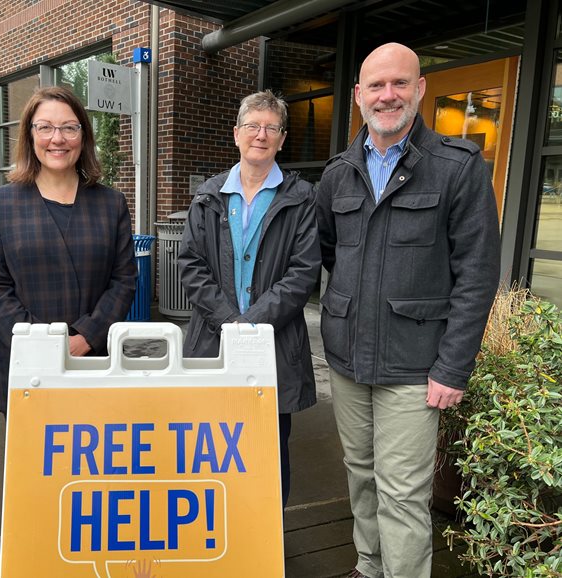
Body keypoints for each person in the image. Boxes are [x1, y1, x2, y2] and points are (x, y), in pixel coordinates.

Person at [316, 43, 501, 578]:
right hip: (348, 360)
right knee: (361, 474)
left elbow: (477, 275)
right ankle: (369, 567)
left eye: (400, 83)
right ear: (358, 97)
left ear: (420, 89)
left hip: (415, 366)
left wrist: (452, 367)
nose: (388, 95)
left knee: (402, 491)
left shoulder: (457, 167)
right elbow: (331, 254)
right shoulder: (338, 173)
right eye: (376, 85)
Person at [178, 90, 322, 507]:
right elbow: (190, 263)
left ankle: (262, 544)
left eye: (271, 128)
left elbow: (303, 272)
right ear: (236, 134)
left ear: (282, 138)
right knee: (209, 445)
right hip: (212, 343)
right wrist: (227, 321)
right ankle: (214, 532)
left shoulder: (301, 198)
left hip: (273, 347)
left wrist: (252, 323)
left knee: (268, 448)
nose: (261, 135)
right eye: (252, 126)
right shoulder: (209, 196)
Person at [0, 86, 137, 413]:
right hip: (28, 365)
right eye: (45, 127)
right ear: (30, 135)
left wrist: (86, 337)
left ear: (83, 135)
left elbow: (123, 281)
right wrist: (41, 346)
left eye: (69, 127)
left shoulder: (111, 203)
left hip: (94, 360)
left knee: (98, 461)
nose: (57, 138)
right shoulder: (1, 203)